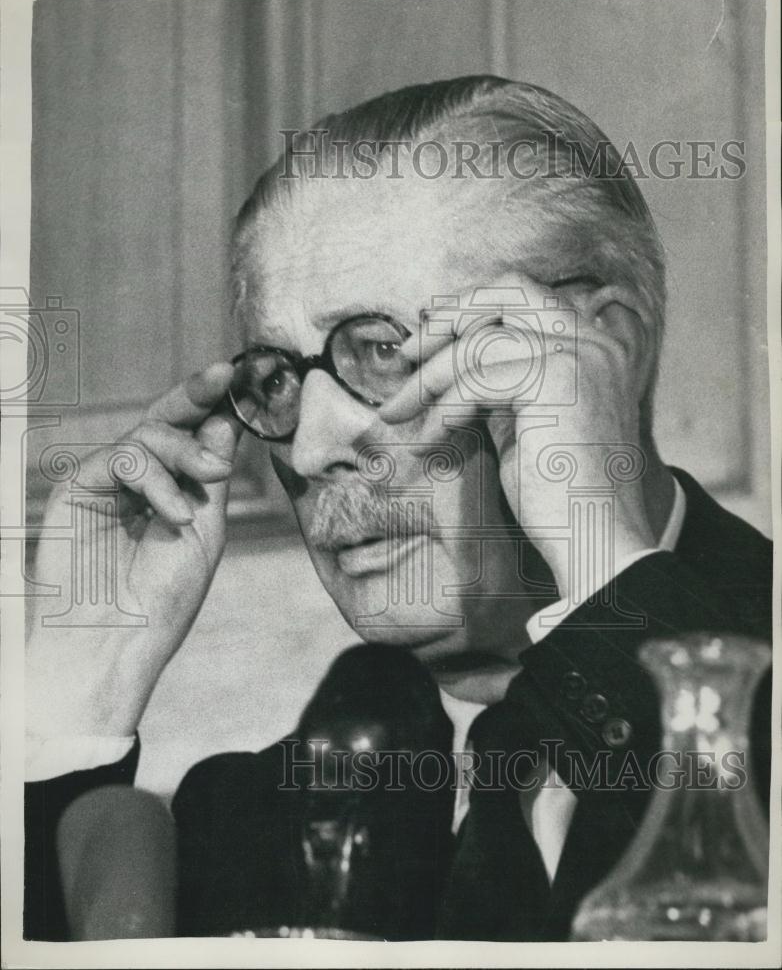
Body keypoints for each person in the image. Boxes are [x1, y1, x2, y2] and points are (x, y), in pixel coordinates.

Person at [24, 75, 772, 941]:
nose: (308, 450)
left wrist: (606, 562)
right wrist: (78, 705)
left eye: (381, 351)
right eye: (275, 379)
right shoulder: (244, 825)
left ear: (606, 351)